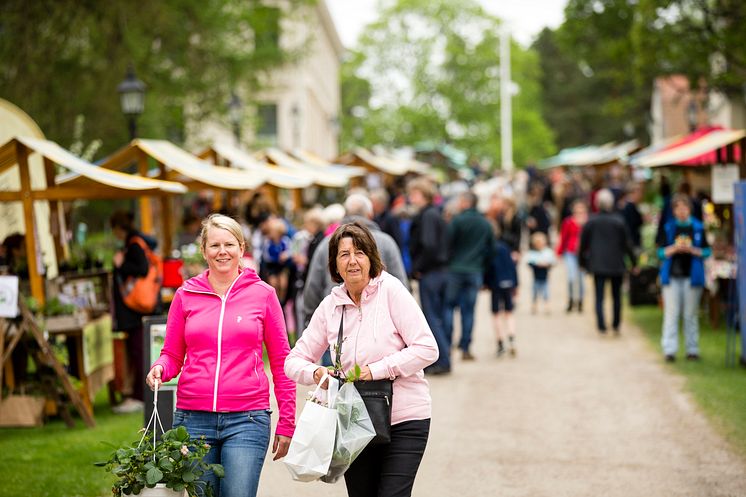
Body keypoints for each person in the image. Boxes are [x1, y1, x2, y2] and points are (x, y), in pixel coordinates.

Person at [146, 214, 295, 497]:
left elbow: (281, 362)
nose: (222, 251)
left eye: (229, 244)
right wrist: (160, 369)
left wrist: (287, 421)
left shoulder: (263, 295)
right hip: (192, 420)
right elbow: (172, 355)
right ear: (203, 251)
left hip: (247, 419)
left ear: (242, 249)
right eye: (214, 245)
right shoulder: (185, 295)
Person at [285, 221, 438, 497]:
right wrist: (317, 373)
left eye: (359, 253)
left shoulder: (392, 291)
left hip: (405, 417)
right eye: (344, 254)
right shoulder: (330, 306)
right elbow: (293, 360)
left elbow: (427, 348)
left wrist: (375, 370)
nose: (352, 261)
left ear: (371, 257)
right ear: (334, 264)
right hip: (354, 421)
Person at [656, 194, 710, 362]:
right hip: (672, 276)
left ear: (689, 209)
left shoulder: (698, 227)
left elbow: (707, 251)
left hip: (692, 276)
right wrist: (673, 249)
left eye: (684, 207)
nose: (681, 211)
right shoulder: (668, 227)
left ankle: (692, 349)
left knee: (690, 314)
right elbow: (660, 252)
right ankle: (669, 350)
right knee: (671, 313)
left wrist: (693, 250)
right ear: (673, 210)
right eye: (678, 208)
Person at [110, 211, 155, 413]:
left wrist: (121, 266)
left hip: (135, 309)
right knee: (136, 350)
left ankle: (140, 395)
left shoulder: (134, 244)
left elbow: (142, 269)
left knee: (139, 352)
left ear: (120, 228)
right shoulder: (134, 242)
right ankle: (137, 393)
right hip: (133, 309)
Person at [578, 189, 637, 334]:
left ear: (598, 203)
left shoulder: (591, 221)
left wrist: (582, 263)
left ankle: (602, 325)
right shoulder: (619, 221)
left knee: (599, 297)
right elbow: (627, 244)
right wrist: (634, 262)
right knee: (616, 297)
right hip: (616, 264)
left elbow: (582, 245)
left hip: (598, 265)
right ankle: (616, 325)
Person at [408, 178, 450, 374]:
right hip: (440, 270)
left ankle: (442, 359)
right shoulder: (435, 214)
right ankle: (443, 357)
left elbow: (429, 244)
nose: (411, 198)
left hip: (431, 272)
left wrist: (418, 267)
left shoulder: (428, 216)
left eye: (414, 194)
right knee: (439, 316)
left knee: (432, 317)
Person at [445, 191, 494, 360]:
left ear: (466, 202)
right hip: (475, 270)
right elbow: (491, 250)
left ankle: (448, 345)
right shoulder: (485, 223)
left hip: (455, 270)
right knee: (469, 311)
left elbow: (447, 244)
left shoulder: (456, 221)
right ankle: (466, 347)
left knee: (449, 307)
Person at [485, 238, 518, 357]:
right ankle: (511, 337)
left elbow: (488, 268)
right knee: (509, 313)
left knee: (496, 314)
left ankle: (500, 342)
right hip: (508, 283)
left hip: (495, 284)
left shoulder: (489, 249)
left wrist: (485, 283)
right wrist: (516, 284)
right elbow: (512, 266)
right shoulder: (505, 247)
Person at [556, 200, 588, 313]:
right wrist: (559, 252)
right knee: (571, 277)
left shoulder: (587, 223)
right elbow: (564, 237)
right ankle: (571, 300)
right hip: (570, 252)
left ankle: (580, 301)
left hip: (582, 254)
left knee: (581, 279)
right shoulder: (568, 222)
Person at [526, 232, 555, 315]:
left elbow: (552, 262)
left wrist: (547, 264)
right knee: (534, 292)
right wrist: (536, 264)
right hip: (536, 277)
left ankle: (547, 306)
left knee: (546, 292)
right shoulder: (532, 253)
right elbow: (529, 263)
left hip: (545, 277)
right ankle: (534, 305)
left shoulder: (547, 252)